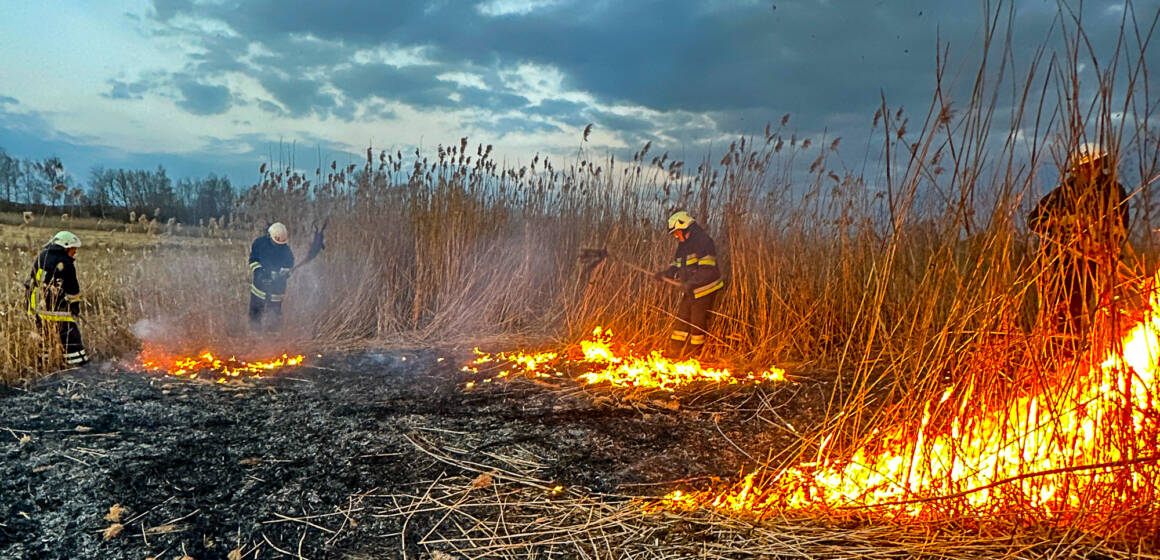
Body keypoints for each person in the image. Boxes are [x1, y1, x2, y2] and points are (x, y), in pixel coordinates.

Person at [1027, 142, 1129, 340]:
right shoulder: (1062, 193)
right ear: (1076, 168)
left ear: (1102, 164)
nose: (1090, 170)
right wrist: (1061, 221)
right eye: (1085, 166)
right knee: (1062, 311)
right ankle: (1065, 354)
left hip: (1097, 262)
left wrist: (1097, 232)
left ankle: (1097, 350)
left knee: (1101, 310)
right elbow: (1033, 220)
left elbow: (1121, 229)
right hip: (1062, 262)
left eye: (1095, 164)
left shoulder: (1114, 191)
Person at [653, 211, 725, 359]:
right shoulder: (683, 246)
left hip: (705, 289)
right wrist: (665, 274)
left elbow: (708, 270)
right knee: (682, 318)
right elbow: (677, 265)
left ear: (685, 228)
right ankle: (674, 353)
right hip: (691, 289)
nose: (675, 236)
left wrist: (690, 284)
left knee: (696, 322)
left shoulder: (703, 242)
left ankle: (694, 356)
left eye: (677, 232)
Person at [26, 231, 89, 367]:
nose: (75, 253)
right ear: (66, 247)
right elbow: (72, 288)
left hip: (35, 306)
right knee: (70, 336)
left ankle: (45, 365)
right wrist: (74, 305)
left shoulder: (42, 256)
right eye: (74, 249)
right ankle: (79, 366)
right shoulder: (65, 262)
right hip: (55, 307)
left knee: (44, 337)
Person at [249, 222, 295, 331]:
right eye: (276, 243)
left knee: (274, 317)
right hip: (258, 288)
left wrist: (284, 273)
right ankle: (254, 336)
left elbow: (289, 264)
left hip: (276, 291)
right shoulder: (259, 244)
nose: (279, 245)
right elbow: (253, 260)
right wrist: (260, 272)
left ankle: (272, 339)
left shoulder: (286, 250)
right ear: (270, 236)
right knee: (255, 314)